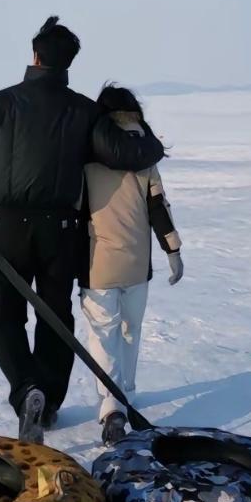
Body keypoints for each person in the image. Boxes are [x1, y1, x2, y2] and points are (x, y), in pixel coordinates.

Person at [0, 17, 165, 442]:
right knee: (55, 318)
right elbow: (121, 152)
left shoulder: (0, 103)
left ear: (34, 56)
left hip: (9, 228)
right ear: (68, 63)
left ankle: (26, 389)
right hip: (61, 231)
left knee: (5, 319)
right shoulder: (84, 110)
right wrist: (154, 145)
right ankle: (46, 403)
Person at [81, 84, 184, 446]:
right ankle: (125, 391)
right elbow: (158, 205)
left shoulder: (87, 148)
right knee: (130, 329)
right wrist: (172, 249)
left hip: (96, 262)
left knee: (102, 333)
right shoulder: (145, 152)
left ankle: (111, 406)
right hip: (138, 262)